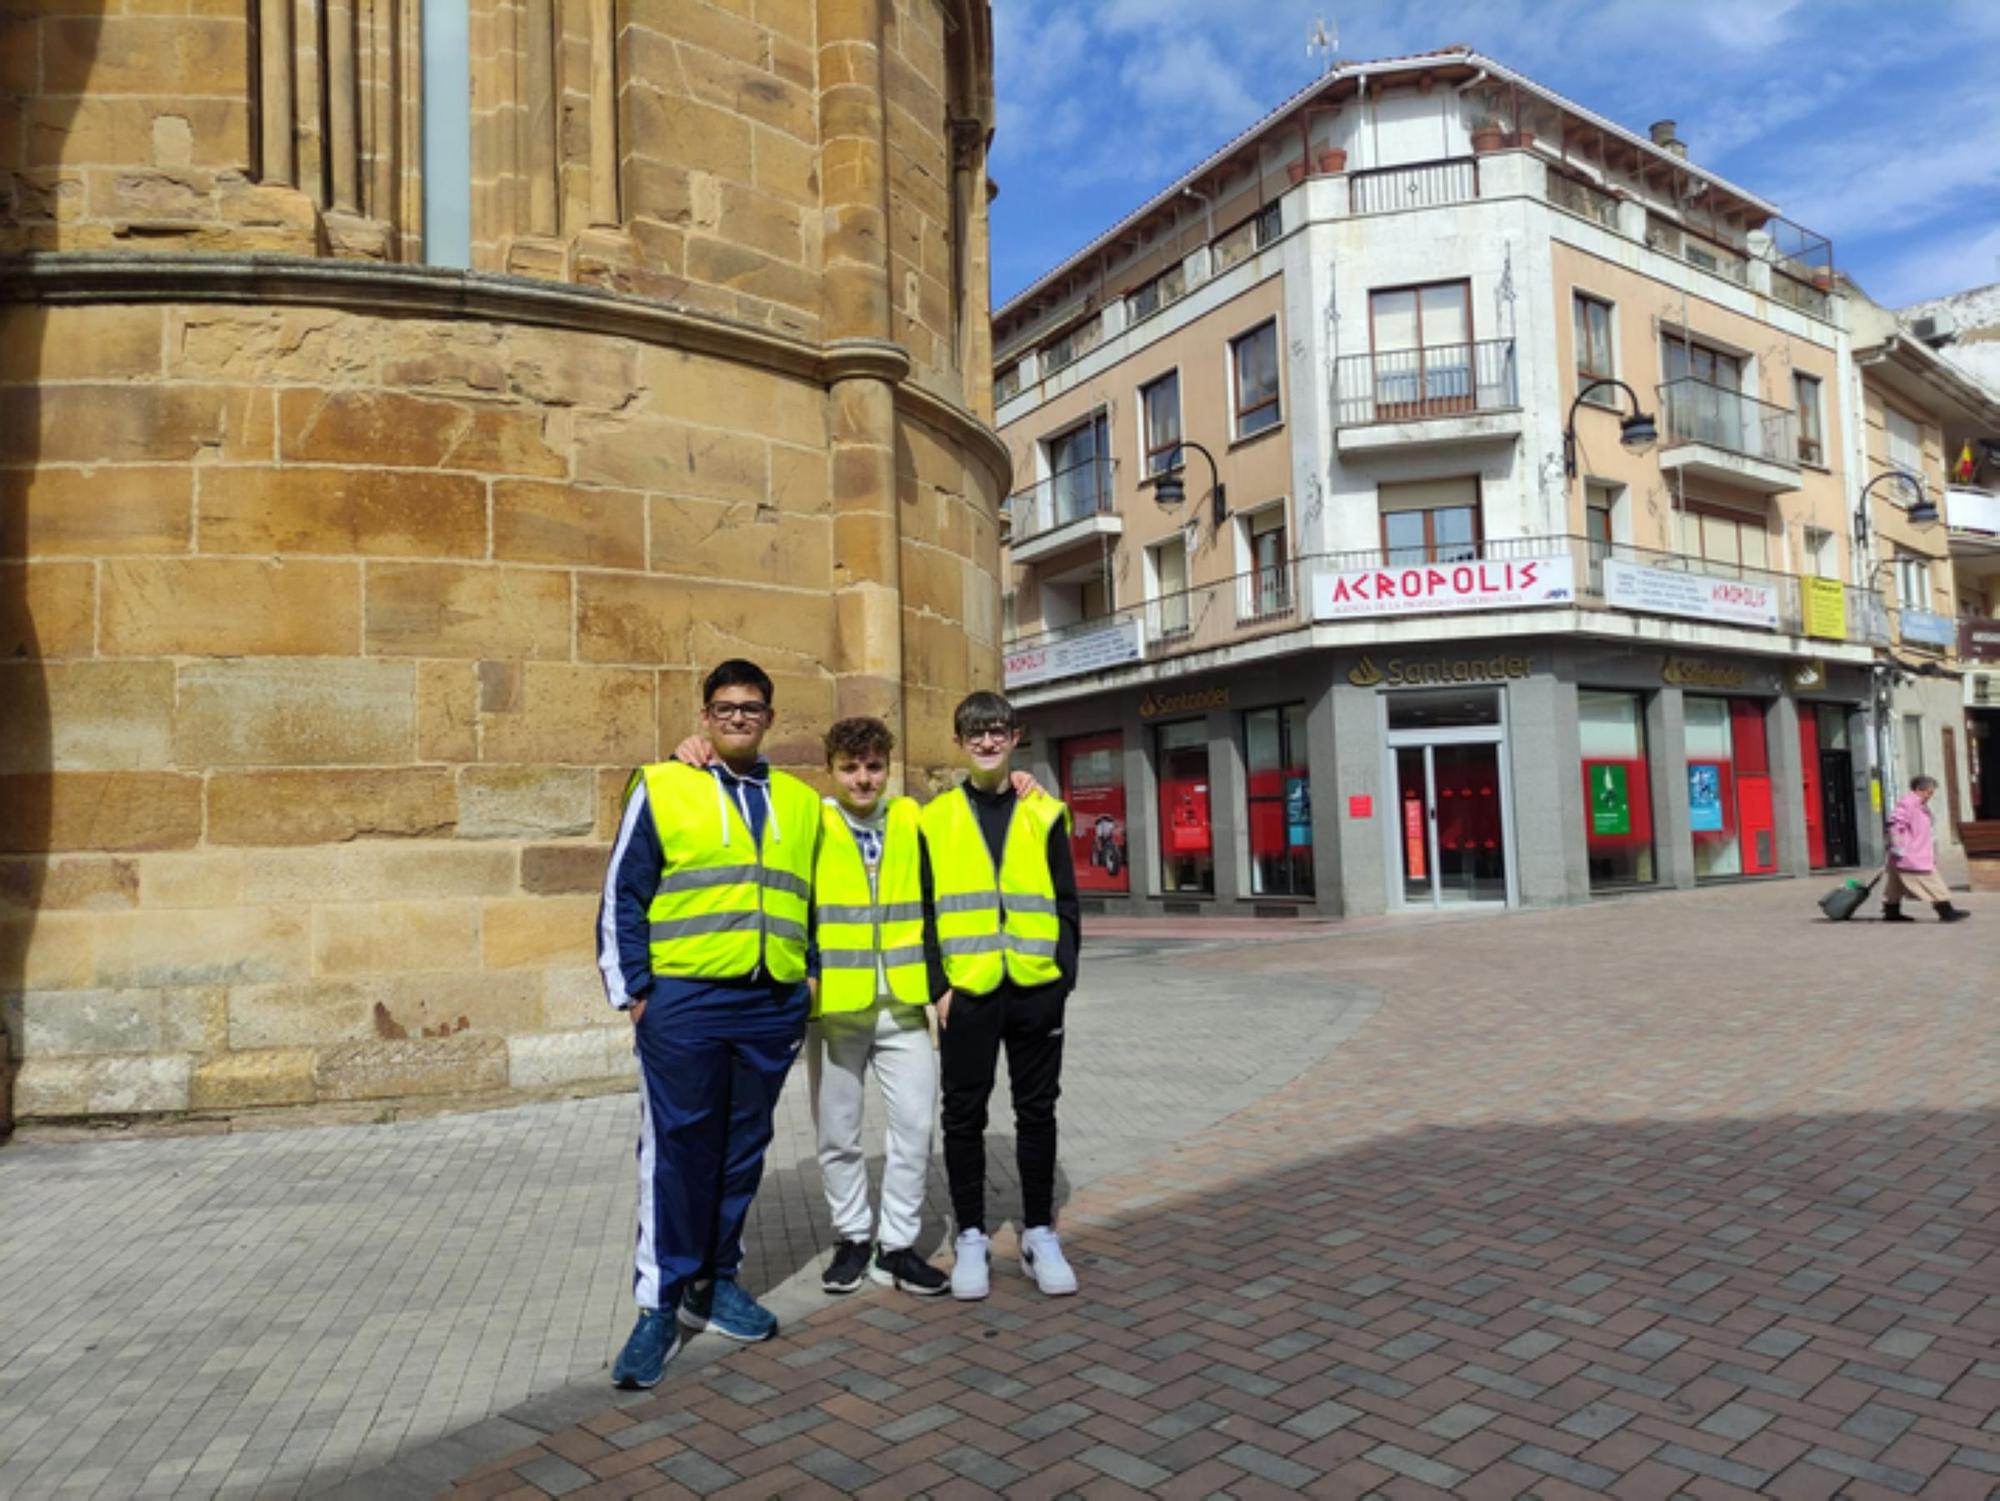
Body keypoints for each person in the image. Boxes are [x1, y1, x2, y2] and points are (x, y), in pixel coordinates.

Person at [598, 659, 822, 1390]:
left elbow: (815, 897)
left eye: (751, 707)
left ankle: (714, 1281)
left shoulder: (798, 800)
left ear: (768, 718)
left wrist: (808, 976)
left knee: (742, 1147)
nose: (737, 717)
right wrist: (634, 992)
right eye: (724, 707)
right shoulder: (662, 784)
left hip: (769, 1002)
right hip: (685, 1003)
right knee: (677, 1151)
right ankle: (658, 1303)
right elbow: (622, 896)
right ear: (704, 715)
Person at [921, 690, 1082, 1301]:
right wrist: (938, 986)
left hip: (1037, 990)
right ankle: (970, 1237)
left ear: (1016, 736)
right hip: (968, 992)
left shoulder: (1046, 812)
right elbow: (923, 909)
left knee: (1037, 1112)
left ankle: (1039, 1232)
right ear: (959, 743)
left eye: (997, 731)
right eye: (975, 733)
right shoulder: (932, 819)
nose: (987, 742)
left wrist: (1063, 975)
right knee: (963, 1115)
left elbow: (1066, 902)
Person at [806, 718, 952, 1298]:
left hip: (903, 1002)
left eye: (872, 767)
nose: (863, 779)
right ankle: (851, 1238)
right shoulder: (811, 821)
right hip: (839, 1006)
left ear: (887, 768)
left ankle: (895, 1246)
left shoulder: (914, 819)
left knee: (915, 1127)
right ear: (831, 769)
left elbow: (975, 814)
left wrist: (1023, 781)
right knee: (837, 1133)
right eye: (850, 767)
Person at [1883, 774, 1971, 924]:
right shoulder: (1909, 803)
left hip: (1907, 854)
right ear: (1919, 789)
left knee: (1895, 885)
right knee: (1932, 882)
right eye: (1929, 792)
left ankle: (1892, 911)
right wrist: (1898, 845)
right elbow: (1895, 824)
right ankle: (1946, 911)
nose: (1930, 795)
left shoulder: (1919, 804)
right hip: (1911, 854)